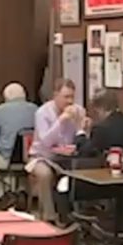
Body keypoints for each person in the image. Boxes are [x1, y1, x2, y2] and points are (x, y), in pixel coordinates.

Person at [28, 79, 86, 222]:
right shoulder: (42, 113)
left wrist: (83, 126)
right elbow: (45, 141)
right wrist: (60, 121)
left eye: (72, 97)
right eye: (66, 97)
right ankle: (49, 217)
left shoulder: (78, 110)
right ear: (55, 96)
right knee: (45, 174)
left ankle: (74, 216)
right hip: (42, 156)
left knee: (83, 173)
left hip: (67, 157)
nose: (69, 101)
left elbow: (79, 138)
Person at [0, 83, 38, 200]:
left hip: (6, 157)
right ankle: (20, 191)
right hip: (30, 158)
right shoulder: (35, 109)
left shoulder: (0, 111)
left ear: (7, 97)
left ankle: (3, 194)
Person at [75, 89, 123, 157]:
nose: (97, 115)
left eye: (96, 111)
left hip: (106, 167)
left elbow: (86, 153)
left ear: (101, 108)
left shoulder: (100, 129)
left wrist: (81, 131)